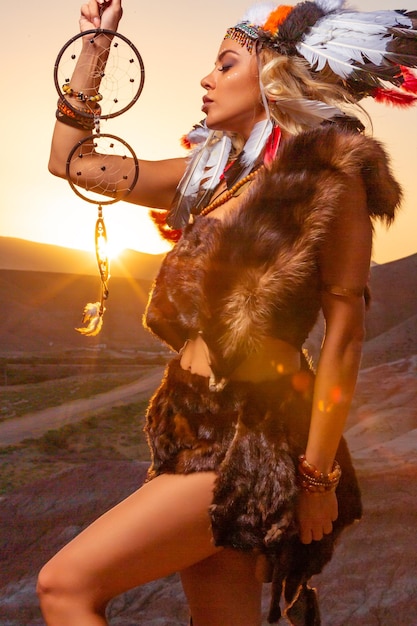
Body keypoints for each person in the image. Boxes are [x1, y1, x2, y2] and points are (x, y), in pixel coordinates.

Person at [37, 0, 417, 624]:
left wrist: (316, 479)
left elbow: (344, 339)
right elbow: (70, 162)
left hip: (252, 437)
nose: (206, 79)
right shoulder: (209, 177)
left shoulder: (330, 175)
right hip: (184, 427)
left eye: (226, 62)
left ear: (274, 76)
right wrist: (95, 48)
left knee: (64, 587)